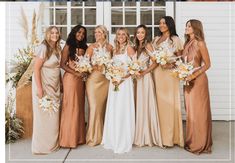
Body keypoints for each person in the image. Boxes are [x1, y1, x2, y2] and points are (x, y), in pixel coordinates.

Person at [101, 27, 135, 153]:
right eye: (119, 34)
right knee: (114, 108)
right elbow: (110, 67)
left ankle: (123, 138)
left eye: (123, 34)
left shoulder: (129, 49)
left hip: (124, 84)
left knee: (122, 108)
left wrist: (122, 79)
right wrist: (112, 76)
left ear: (127, 36)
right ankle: (113, 136)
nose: (121, 36)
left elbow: (134, 68)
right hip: (114, 83)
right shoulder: (114, 50)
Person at [152, 16, 184, 147]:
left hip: (169, 76)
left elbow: (181, 58)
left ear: (170, 24)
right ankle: (160, 136)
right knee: (159, 104)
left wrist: (170, 65)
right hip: (157, 74)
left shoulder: (175, 39)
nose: (161, 25)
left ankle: (170, 138)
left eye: (164, 23)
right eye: (160, 23)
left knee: (170, 105)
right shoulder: (155, 39)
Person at [182, 19, 212, 154]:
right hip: (187, 80)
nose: (186, 28)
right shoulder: (187, 43)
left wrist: (193, 75)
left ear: (195, 28)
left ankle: (200, 143)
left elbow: (207, 64)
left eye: (189, 26)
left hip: (198, 81)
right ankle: (191, 140)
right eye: (186, 26)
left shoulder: (200, 43)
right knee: (190, 111)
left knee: (199, 112)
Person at [32, 26, 62, 154]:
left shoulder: (57, 48)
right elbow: (36, 69)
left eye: (56, 33)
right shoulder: (43, 48)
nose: (54, 35)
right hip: (44, 84)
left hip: (54, 85)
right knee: (44, 115)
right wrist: (39, 89)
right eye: (52, 33)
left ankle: (52, 144)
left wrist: (61, 83)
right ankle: (41, 147)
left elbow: (57, 67)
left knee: (53, 115)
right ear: (48, 35)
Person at [133, 25, 162, 147]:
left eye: (142, 32)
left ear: (146, 34)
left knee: (145, 103)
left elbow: (156, 62)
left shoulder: (148, 45)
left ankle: (146, 135)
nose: (140, 34)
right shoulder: (136, 47)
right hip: (136, 78)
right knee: (138, 103)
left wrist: (144, 72)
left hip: (145, 78)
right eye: (138, 32)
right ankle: (137, 132)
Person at [59, 25, 88, 148]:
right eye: (79, 32)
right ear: (74, 32)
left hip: (81, 81)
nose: (81, 35)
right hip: (70, 79)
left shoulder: (85, 47)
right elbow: (62, 64)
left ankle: (79, 137)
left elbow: (87, 63)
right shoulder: (67, 46)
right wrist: (76, 73)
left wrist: (86, 71)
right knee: (70, 106)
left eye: (83, 33)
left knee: (79, 107)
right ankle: (67, 139)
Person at [86, 25, 113, 146]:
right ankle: (93, 137)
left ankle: (103, 136)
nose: (97, 34)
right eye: (95, 32)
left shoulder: (110, 47)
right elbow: (85, 64)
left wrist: (107, 67)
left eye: (99, 32)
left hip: (105, 81)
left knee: (103, 108)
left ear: (105, 34)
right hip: (93, 80)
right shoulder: (91, 47)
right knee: (94, 108)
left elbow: (114, 63)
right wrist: (95, 66)